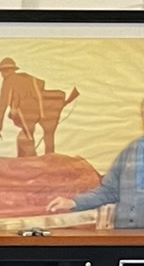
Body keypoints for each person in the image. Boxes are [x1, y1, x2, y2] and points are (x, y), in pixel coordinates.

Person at [49, 97, 144, 227]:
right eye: (143, 113)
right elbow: (109, 190)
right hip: (126, 235)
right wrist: (74, 202)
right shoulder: (132, 151)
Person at [0, 57, 76, 158]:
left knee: (27, 136)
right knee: (48, 136)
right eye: (2, 71)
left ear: (10, 70)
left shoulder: (8, 81)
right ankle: (50, 158)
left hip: (27, 111)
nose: (2, 74)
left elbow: (2, 104)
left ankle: (31, 159)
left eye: (4, 71)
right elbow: (40, 86)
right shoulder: (28, 78)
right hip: (45, 108)